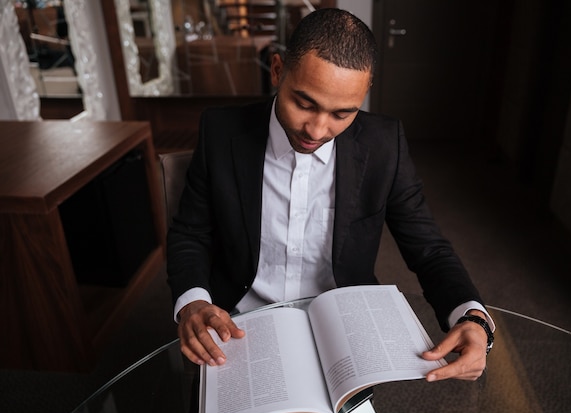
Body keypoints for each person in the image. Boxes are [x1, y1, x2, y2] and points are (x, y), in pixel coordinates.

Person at [167, 8, 494, 383]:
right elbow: (189, 233)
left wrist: (472, 316)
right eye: (304, 103)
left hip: (344, 326)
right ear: (277, 71)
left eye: (342, 113)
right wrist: (193, 302)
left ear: (363, 95)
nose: (317, 129)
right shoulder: (220, 131)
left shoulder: (385, 144)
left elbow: (429, 249)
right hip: (238, 324)